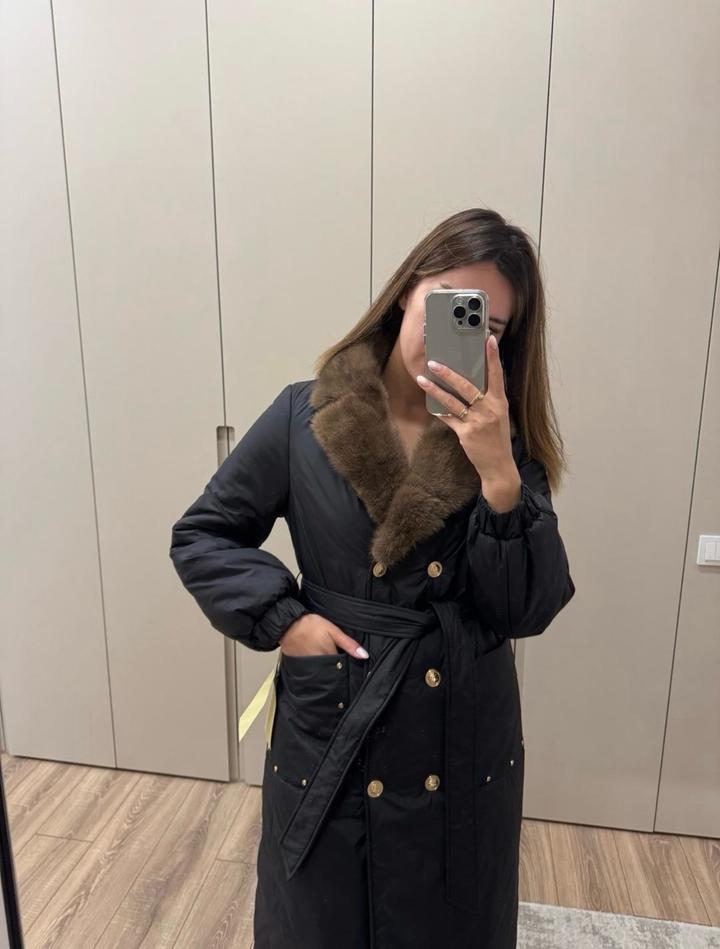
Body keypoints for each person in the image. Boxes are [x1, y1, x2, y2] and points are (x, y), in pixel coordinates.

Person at [169, 207, 576, 949]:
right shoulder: (304, 415)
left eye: (490, 325)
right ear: (406, 289)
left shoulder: (506, 444)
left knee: (452, 920)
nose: (468, 332)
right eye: (452, 304)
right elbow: (205, 534)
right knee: (322, 919)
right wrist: (287, 621)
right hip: (337, 710)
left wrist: (497, 474)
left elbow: (526, 609)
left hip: (460, 728)